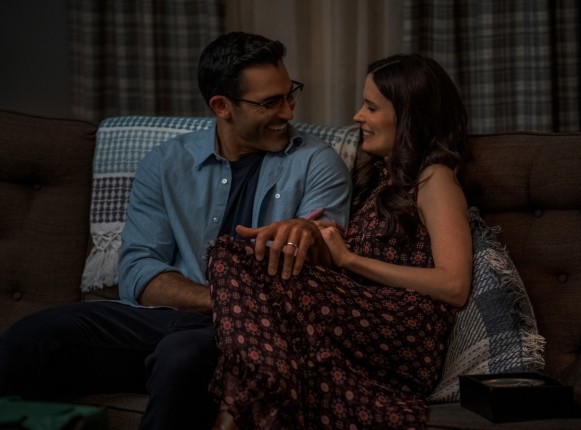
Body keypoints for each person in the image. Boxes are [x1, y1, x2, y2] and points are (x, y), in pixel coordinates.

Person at [0, 32, 351, 430]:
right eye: (270, 102)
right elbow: (138, 270)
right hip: (174, 316)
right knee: (33, 336)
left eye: (290, 95)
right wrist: (221, 300)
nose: (287, 112)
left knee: (181, 356)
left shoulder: (316, 163)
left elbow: (323, 269)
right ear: (222, 106)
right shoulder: (166, 163)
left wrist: (311, 238)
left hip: (257, 329)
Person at [205, 54, 473, 428]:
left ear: (409, 116)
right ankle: (265, 384)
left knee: (231, 255)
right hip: (365, 320)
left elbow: (454, 285)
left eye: (371, 107)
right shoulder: (383, 180)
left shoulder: (435, 178)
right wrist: (317, 240)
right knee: (248, 262)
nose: (358, 116)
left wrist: (350, 259)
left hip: (404, 333)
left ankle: (261, 389)